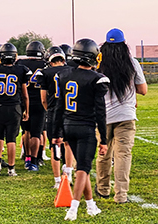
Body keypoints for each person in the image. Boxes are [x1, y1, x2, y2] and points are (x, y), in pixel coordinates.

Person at [52, 38, 110, 221]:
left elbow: (58, 108)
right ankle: (73, 209)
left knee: (81, 167)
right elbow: (101, 112)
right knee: (83, 169)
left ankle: (91, 205)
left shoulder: (64, 75)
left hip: (69, 127)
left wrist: (56, 134)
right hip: (85, 128)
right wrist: (104, 140)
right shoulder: (97, 79)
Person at [95, 28, 148, 203]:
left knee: (103, 154)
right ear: (124, 44)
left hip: (103, 116)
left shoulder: (98, 65)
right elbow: (143, 90)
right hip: (125, 115)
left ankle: (102, 189)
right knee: (123, 155)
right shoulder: (132, 63)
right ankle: (121, 195)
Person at [0, 43, 30, 176]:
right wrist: (26, 110)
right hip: (14, 107)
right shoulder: (21, 70)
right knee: (11, 139)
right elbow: (25, 95)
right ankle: (11, 168)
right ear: (15, 56)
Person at [37, 46, 73, 188]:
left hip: (53, 111)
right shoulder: (71, 71)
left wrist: (49, 110)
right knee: (68, 143)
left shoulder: (45, 73)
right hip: (69, 110)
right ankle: (69, 174)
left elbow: (43, 99)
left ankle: (57, 181)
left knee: (54, 145)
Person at [16, 41, 47, 171]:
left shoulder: (20, 64)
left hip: (24, 101)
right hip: (39, 102)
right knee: (36, 133)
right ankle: (34, 161)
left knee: (26, 131)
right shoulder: (45, 65)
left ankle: (27, 158)